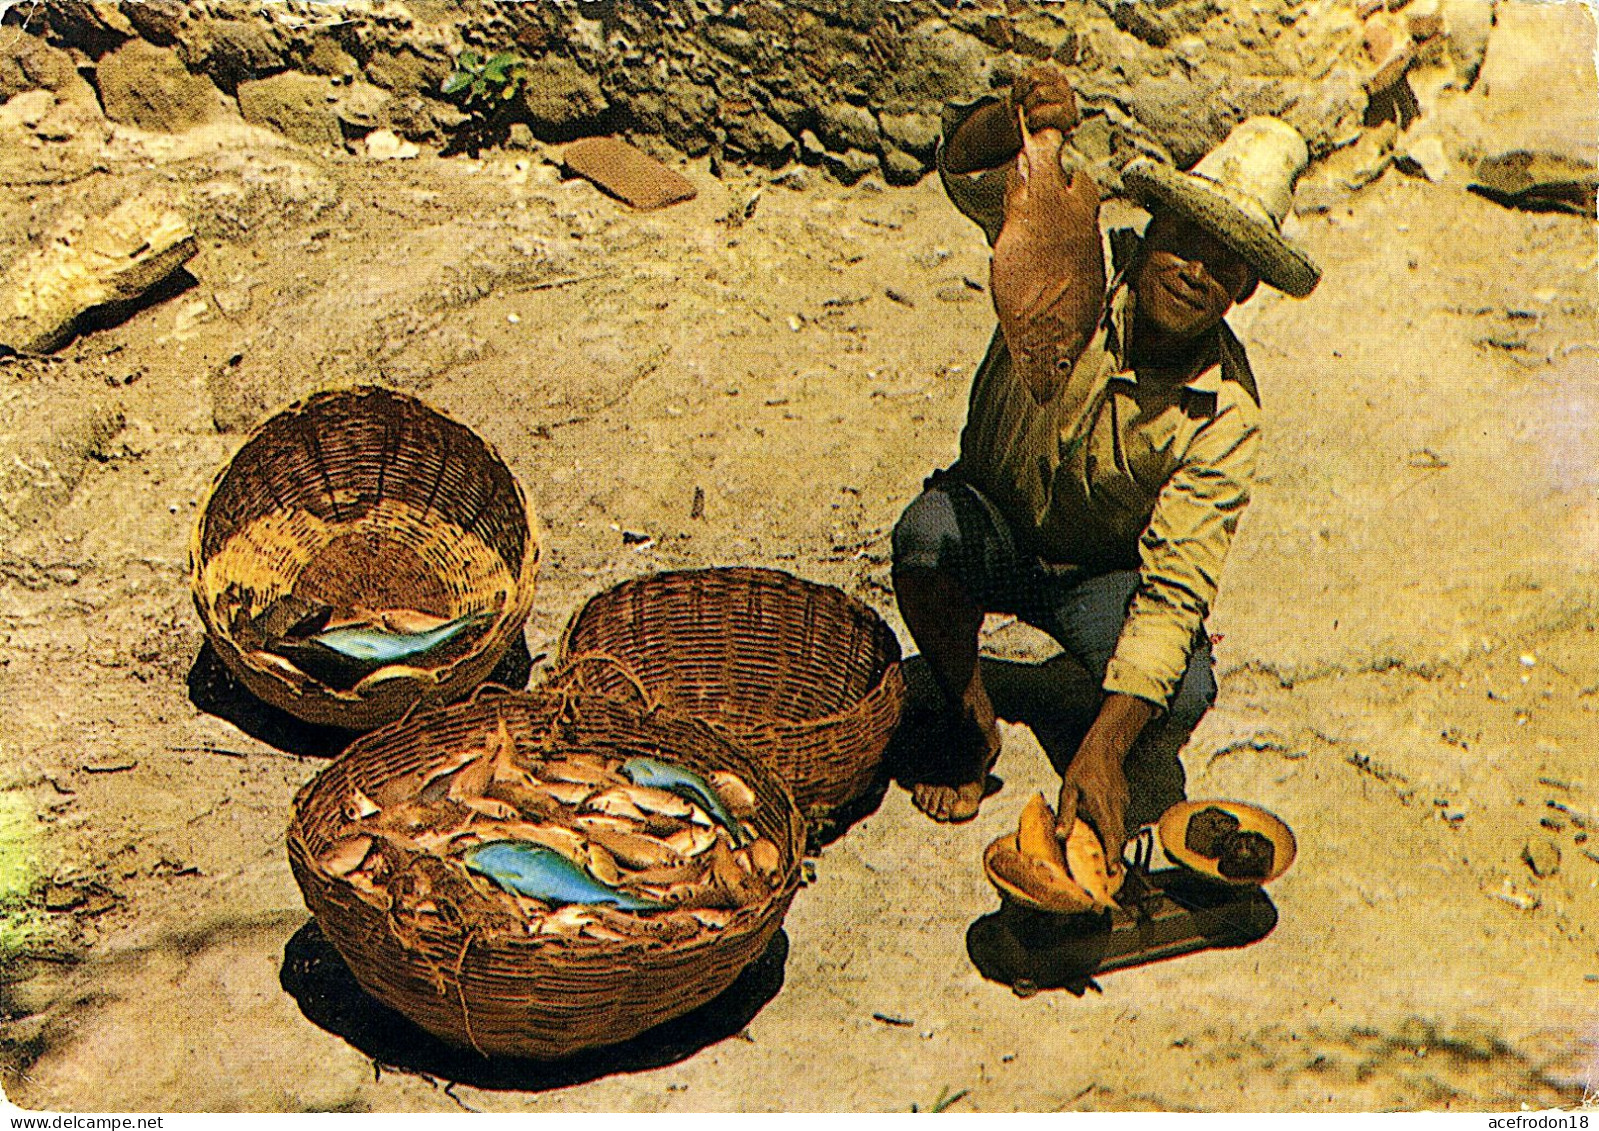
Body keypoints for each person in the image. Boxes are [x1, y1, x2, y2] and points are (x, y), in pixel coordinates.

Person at [890, 64, 1322, 876]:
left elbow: (1173, 592)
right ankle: (972, 715)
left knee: (1182, 686)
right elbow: (969, 174)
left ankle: (1083, 714)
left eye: (1224, 264)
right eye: (1184, 241)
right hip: (991, 520)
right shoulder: (1069, 255)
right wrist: (1011, 119)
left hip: (1095, 575)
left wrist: (1100, 753)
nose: (1195, 270)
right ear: (1150, 230)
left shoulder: (1227, 415)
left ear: (1244, 290)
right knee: (925, 539)